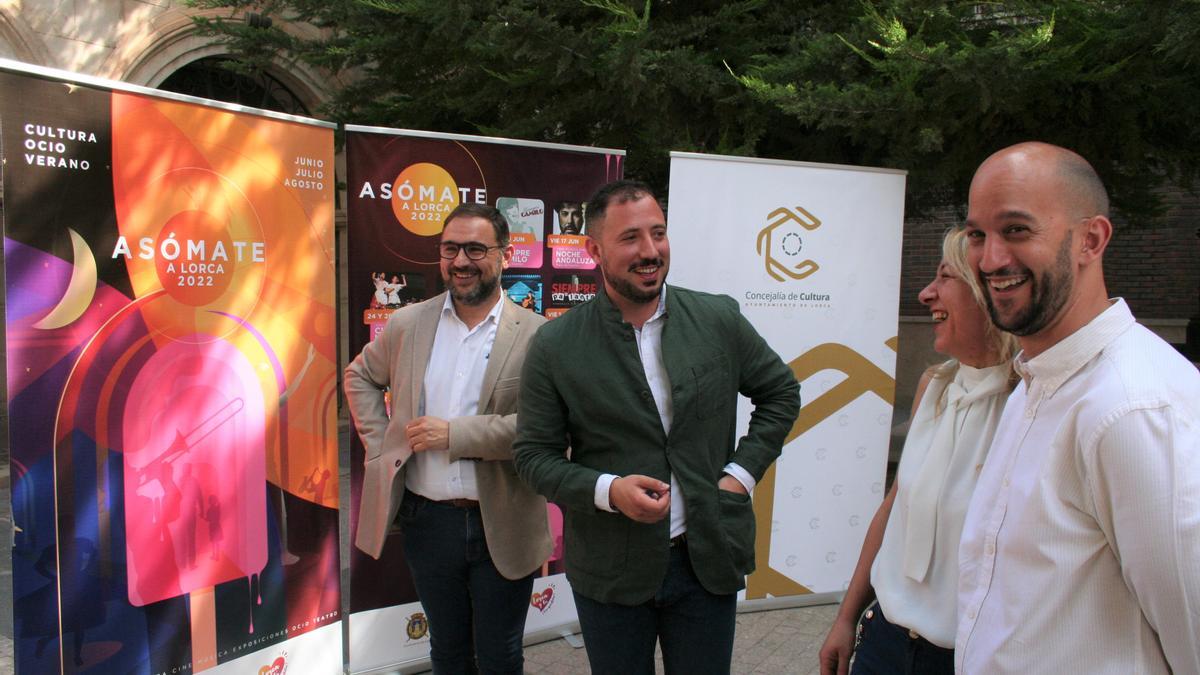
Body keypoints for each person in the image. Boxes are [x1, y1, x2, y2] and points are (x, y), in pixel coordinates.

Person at [512, 180, 800, 674]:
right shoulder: (555, 346)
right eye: (630, 239)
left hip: (707, 558)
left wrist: (739, 477)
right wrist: (608, 490)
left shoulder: (717, 317)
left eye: (658, 233)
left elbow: (781, 393)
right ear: (594, 250)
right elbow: (533, 457)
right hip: (610, 571)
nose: (650, 251)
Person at [955, 142, 1200, 674]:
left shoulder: (1133, 409)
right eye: (977, 234)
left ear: (1091, 239)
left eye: (1016, 230)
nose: (990, 259)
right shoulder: (1034, 384)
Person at [345, 203, 552, 674]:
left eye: (476, 249)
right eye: (450, 249)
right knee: (448, 654)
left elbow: (542, 428)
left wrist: (455, 435)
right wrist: (384, 445)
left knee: (501, 656)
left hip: (504, 521)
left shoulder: (537, 335)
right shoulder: (407, 324)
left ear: (505, 254)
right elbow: (359, 377)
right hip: (428, 523)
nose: (461, 261)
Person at [818, 229, 1018, 675]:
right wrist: (846, 618)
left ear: (989, 294)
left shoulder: (1027, 402)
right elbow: (893, 508)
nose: (926, 293)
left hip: (967, 657)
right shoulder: (936, 385)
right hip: (884, 641)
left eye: (945, 276)